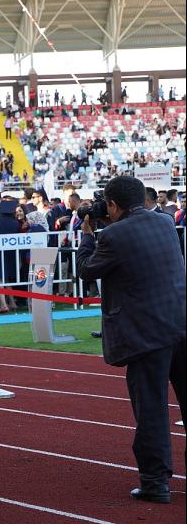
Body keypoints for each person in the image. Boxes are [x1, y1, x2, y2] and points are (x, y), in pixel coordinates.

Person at [76, 175, 185, 504]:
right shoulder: (166, 222)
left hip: (146, 334)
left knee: (151, 409)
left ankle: (155, 482)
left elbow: (85, 270)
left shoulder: (113, 236)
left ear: (111, 205)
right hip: (180, 324)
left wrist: (88, 237)